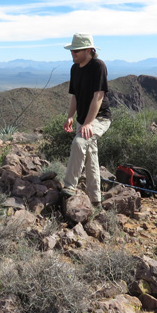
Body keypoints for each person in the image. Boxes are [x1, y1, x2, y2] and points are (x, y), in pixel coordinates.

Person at [61, 33, 112, 204]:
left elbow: (98, 96)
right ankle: (95, 199)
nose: (73, 53)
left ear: (89, 50)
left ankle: (69, 187)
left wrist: (89, 123)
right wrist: (70, 117)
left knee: (79, 143)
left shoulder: (98, 66)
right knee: (91, 156)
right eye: (72, 50)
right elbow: (75, 96)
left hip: (99, 118)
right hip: (82, 120)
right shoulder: (74, 68)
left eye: (76, 50)